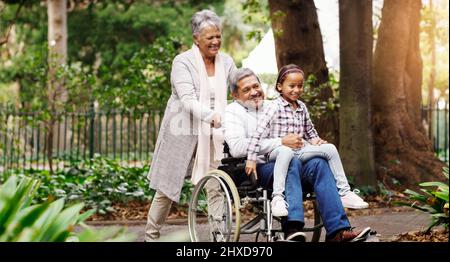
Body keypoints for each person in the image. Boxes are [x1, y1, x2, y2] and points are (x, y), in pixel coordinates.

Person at [223, 68, 371, 242]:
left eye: (256, 86)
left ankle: (338, 231)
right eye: (246, 90)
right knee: (290, 161)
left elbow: (296, 135)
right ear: (235, 95)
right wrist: (280, 142)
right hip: (255, 168)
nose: (254, 92)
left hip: (289, 160)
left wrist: (313, 143)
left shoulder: (274, 105)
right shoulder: (232, 111)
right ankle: (293, 230)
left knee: (318, 163)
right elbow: (238, 147)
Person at [145, 9, 236, 241]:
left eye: (218, 36)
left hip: (214, 133)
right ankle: (151, 236)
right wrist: (212, 115)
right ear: (196, 38)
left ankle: (219, 236)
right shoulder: (182, 62)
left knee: (215, 183)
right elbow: (187, 100)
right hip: (182, 130)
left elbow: (237, 88)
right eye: (210, 38)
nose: (216, 41)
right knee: (166, 187)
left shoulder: (226, 61)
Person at [245, 64, 369, 215]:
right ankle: (278, 198)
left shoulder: (302, 107)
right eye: (292, 86)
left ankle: (344, 192)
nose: (296, 90)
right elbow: (257, 134)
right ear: (279, 86)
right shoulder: (273, 107)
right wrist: (251, 158)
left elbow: (309, 130)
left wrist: (316, 140)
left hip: (299, 151)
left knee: (330, 148)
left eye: (300, 86)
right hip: (277, 153)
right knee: (285, 151)